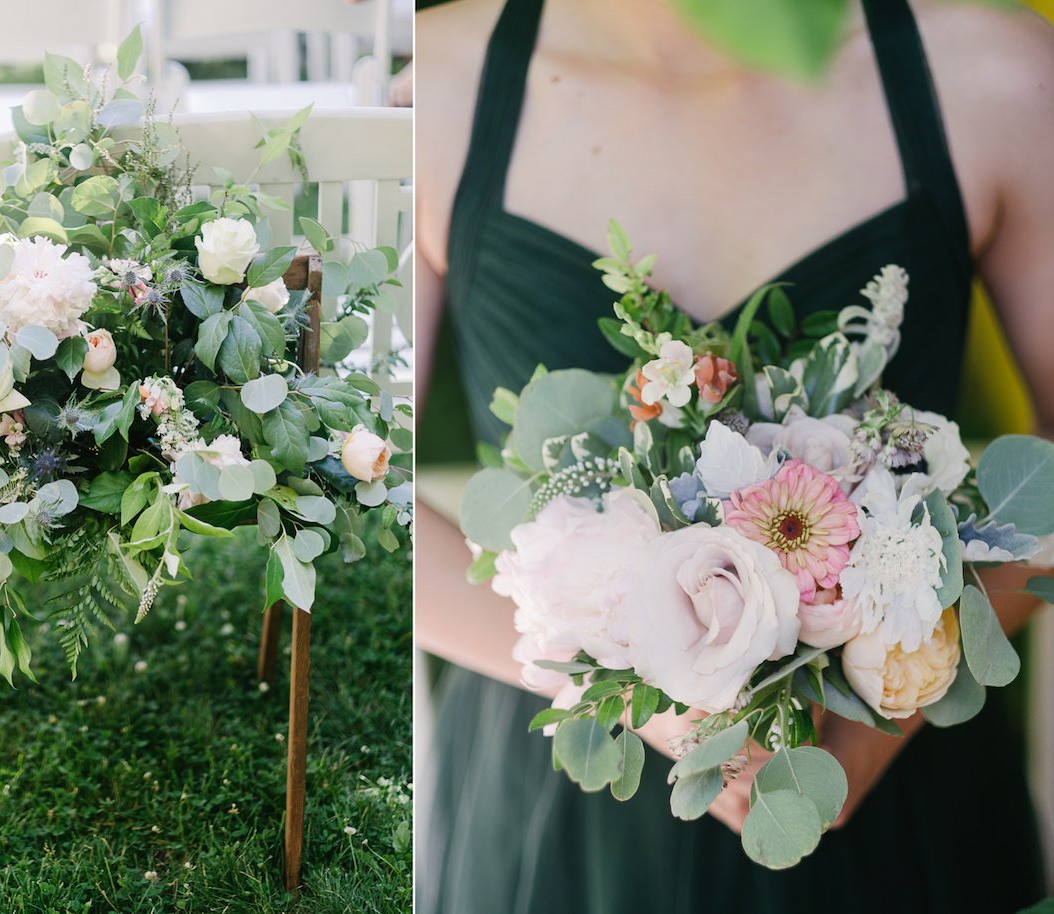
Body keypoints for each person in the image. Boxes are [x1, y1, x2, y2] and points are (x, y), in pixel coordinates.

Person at [414, 0, 1054, 910]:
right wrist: (651, 699)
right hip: (570, 803)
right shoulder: (438, 86)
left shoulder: (1000, 77)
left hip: (890, 789)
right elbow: (362, 494)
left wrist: (885, 711)